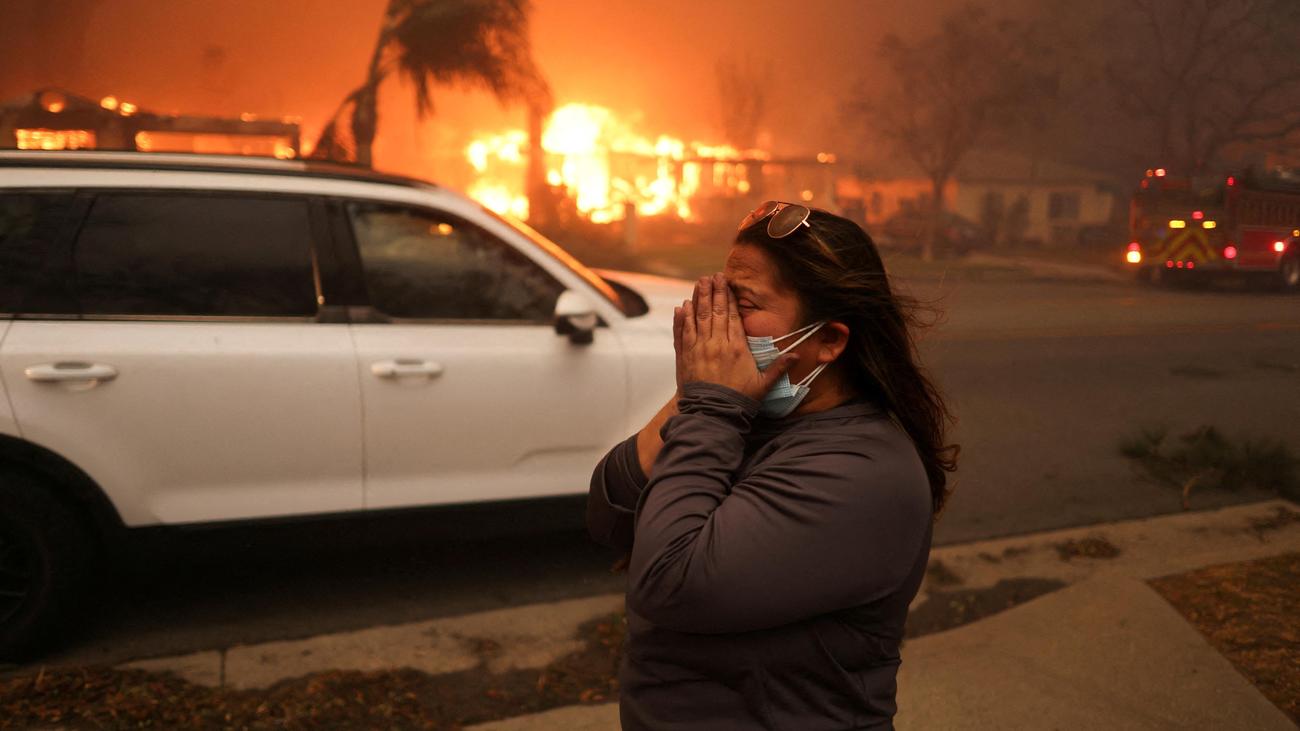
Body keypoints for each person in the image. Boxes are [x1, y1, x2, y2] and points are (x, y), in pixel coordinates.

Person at [586, 201, 959, 730]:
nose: (720, 326)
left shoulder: (863, 471)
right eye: (718, 300)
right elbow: (609, 511)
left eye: (744, 305)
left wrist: (711, 402)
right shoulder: (738, 416)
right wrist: (697, 392)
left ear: (829, 340)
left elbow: (669, 583)